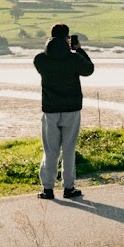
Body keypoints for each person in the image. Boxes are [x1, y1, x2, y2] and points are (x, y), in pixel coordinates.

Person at [33, 23, 95, 199]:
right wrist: (79, 50)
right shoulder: (74, 59)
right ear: (68, 38)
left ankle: (48, 189)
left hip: (50, 110)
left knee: (50, 150)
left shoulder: (40, 59)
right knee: (69, 149)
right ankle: (68, 188)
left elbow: (47, 58)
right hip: (71, 109)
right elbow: (89, 70)